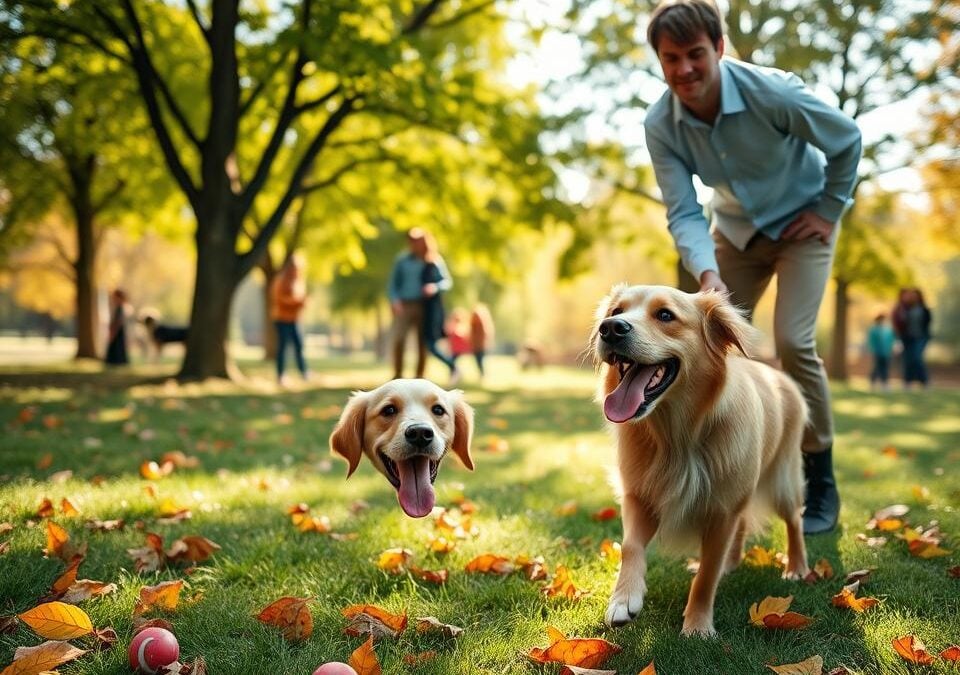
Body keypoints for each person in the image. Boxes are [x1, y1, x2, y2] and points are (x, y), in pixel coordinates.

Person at [643, 0, 862, 534]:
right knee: (700, 338)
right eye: (671, 59)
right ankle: (707, 465)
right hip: (735, 236)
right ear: (660, 61)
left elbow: (847, 139)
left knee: (792, 340)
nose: (685, 69)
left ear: (718, 48)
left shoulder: (773, 93)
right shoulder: (660, 123)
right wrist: (707, 270)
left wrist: (829, 210)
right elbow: (683, 209)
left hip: (802, 229)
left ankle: (819, 474)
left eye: (696, 54)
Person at [387, 228, 453, 380]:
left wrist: (434, 287)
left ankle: (420, 376)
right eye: (411, 240)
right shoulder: (402, 260)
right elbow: (393, 284)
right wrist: (394, 299)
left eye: (416, 240)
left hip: (425, 306)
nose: (413, 243)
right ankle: (397, 375)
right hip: (405, 305)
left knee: (422, 343)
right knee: (399, 338)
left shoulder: (434, 260)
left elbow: (446, 281)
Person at [271, 253, 309, 387]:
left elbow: (300, 297)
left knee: (299, 346)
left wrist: (302, 302)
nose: (296, 271)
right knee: (283, 347)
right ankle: (280, 375)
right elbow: (280, 299)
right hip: (282, 319)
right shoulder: (281, 280)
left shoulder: (298, 281)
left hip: (294, 319)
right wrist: (297, 302)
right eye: (295, 268)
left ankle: (304, 372)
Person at [892, 287, 932, 388]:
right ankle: (907, 382)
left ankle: (924, 381)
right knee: (908, 359)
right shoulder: (905, 308)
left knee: (917, 358)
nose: (913, 297)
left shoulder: (924, 309)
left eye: (915, 295)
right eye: (911, 295)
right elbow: (898, 321)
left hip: (920, 337)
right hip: (907, 337)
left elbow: (927, 323)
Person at [866, 312, 895, 390]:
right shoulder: (874, 329)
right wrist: (872, 350)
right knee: (877, 367)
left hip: (886, 352)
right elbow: (871, 341)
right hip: (877, 352)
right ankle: (873, 382)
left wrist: (891, 348)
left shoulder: (887, 330)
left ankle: (885, 383)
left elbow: (891, 340)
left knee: (885, 368)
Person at [469, 303, 495, 381]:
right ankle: (482, 374)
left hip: (479, 343)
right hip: (478, 343)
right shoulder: (482, 318)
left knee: (479, 359)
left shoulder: (477, 316)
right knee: (480, 359)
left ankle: (482, 374)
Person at [104, 288, 130, 366]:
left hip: (118, 330)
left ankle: (117, 361)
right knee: (116, 346)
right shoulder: (118, 307)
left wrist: (113, 331)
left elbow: (118, 321)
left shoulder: (120, 308)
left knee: (117, 347)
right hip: (117, 329)